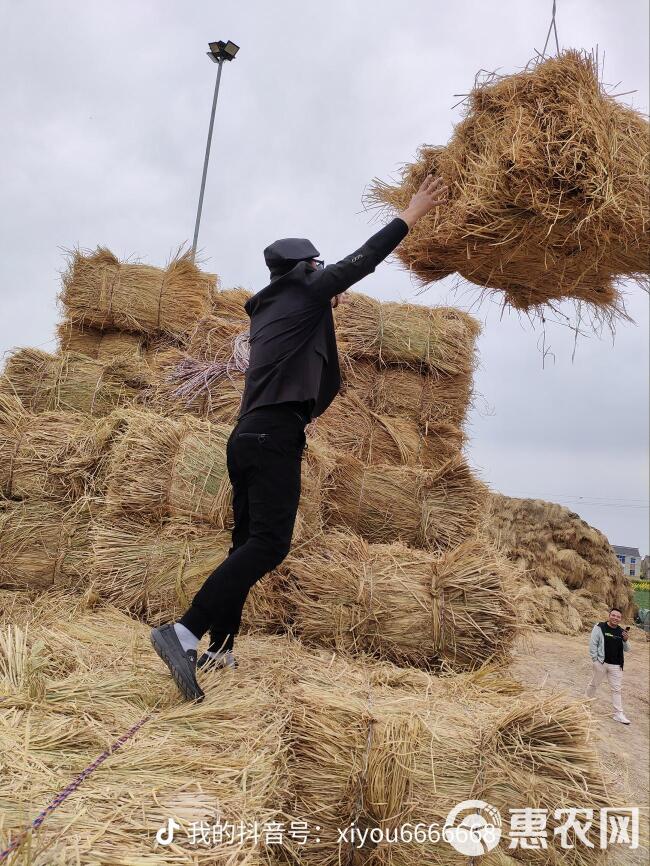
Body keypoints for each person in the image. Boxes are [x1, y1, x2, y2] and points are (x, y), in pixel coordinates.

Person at [151, 174, 448, 701]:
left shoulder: (274, 311)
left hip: (248, 436)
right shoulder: (301, 292)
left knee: (247, 543)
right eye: (319, 268)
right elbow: (361, 261)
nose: (325, 276)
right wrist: (411, 213)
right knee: (269, 544)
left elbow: (328, 379)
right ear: (308, 270)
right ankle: (183, 633)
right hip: (271, 437)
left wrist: (323, 315)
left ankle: (220, 646)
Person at [585, 607, 632, 724]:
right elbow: (593, 644)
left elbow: (627, 649)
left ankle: (618, 714)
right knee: (594, 684)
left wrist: (625, 640)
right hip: (601, 663)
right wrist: (595, 660)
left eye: (618, 617)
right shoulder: (600, 627)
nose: (616, 618)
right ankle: (584, 706)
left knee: (616, 690)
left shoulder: (621, 631)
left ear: (620, 619)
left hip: (616, 666)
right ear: (609, 615)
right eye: (614, 615)